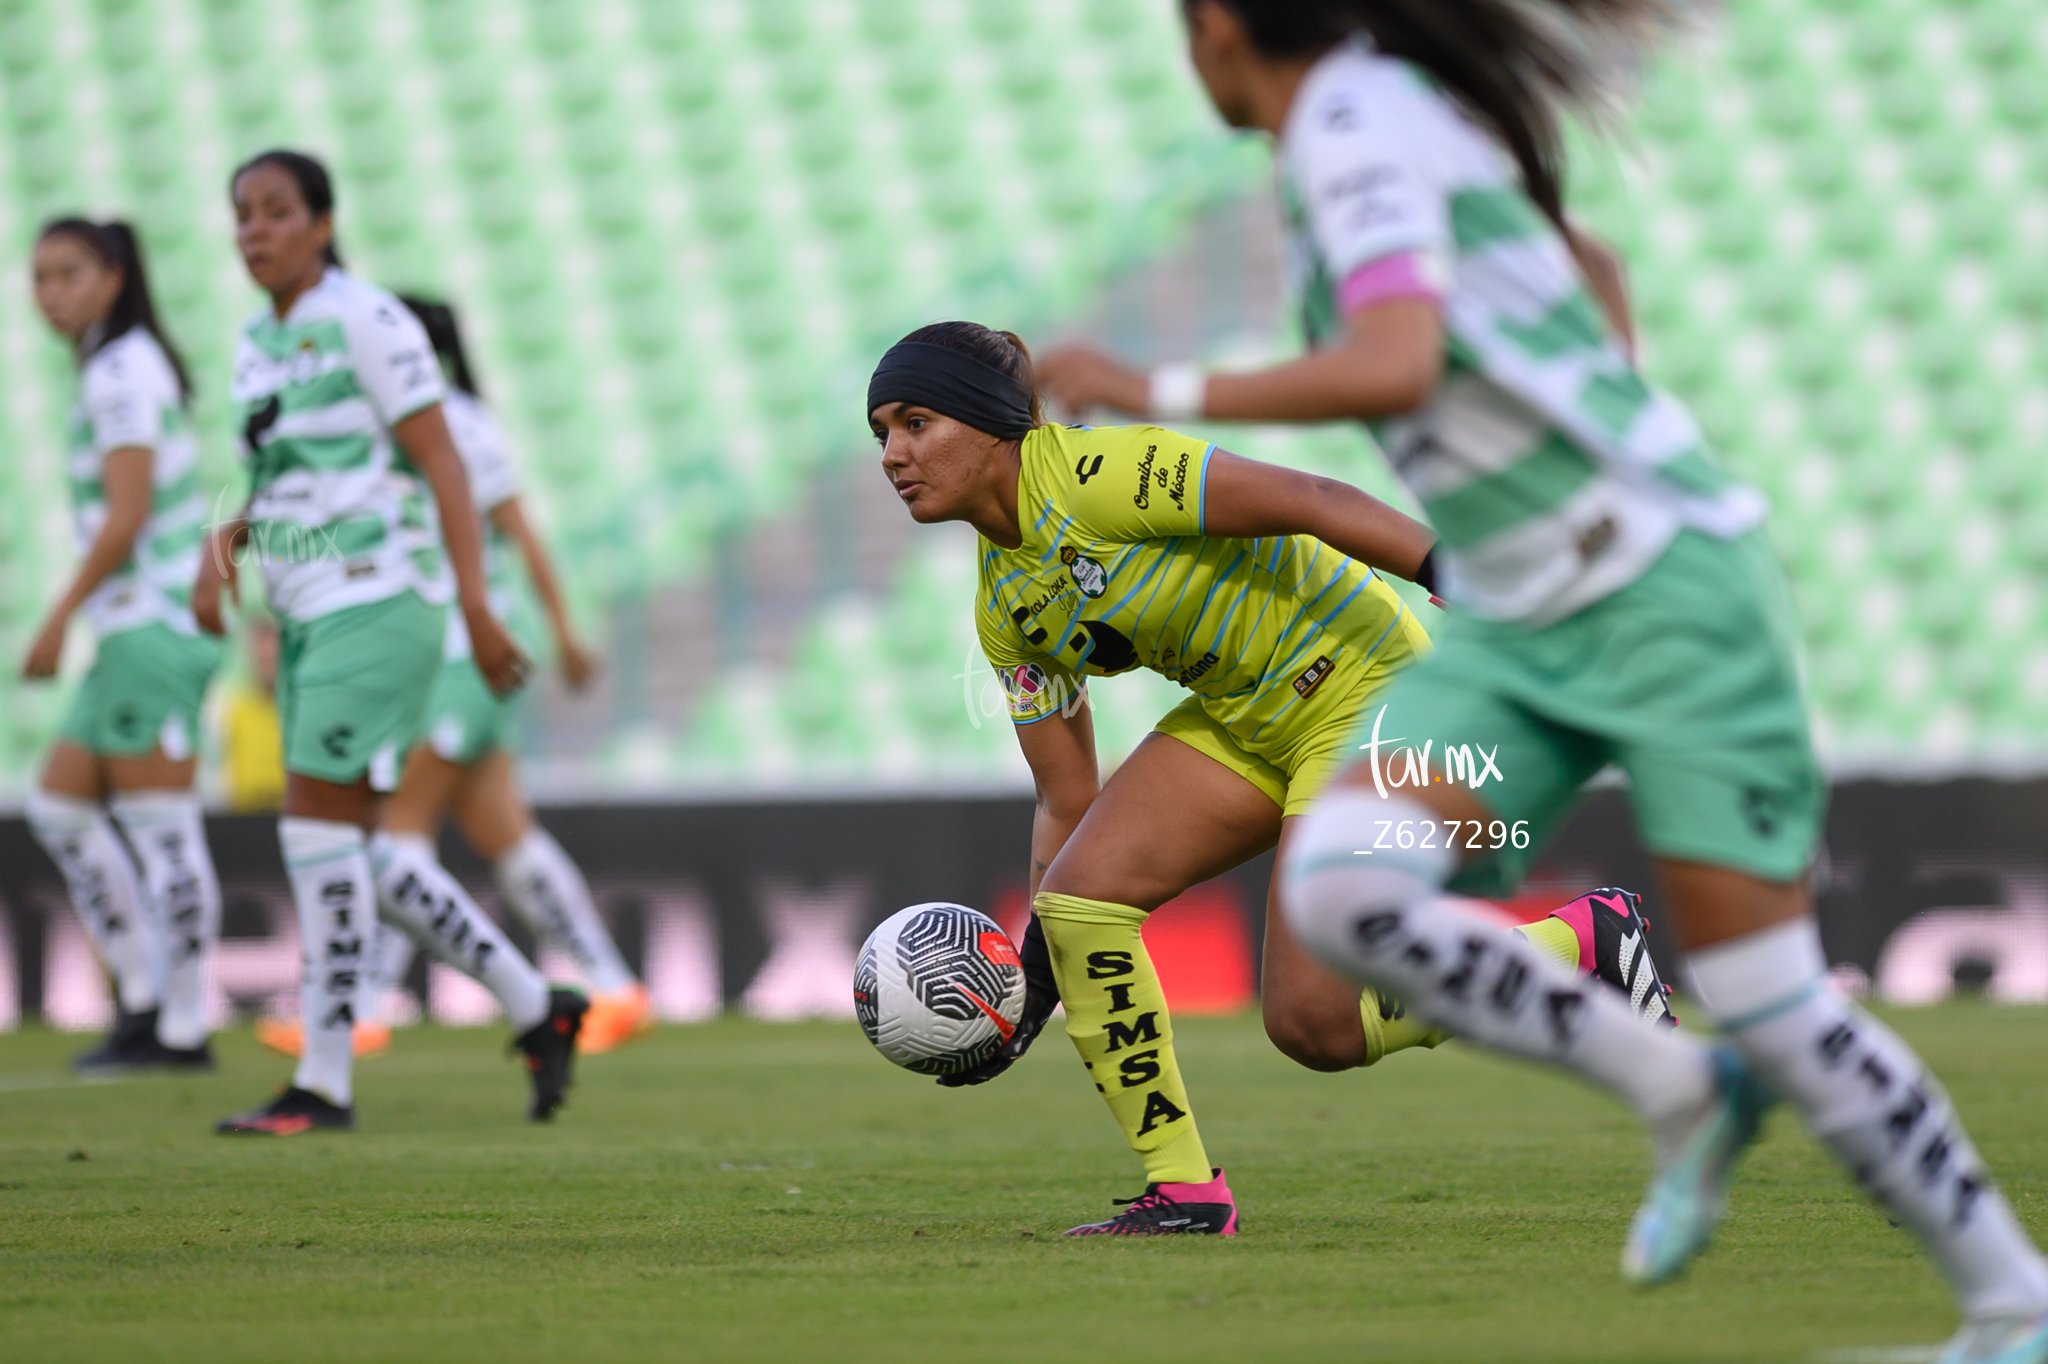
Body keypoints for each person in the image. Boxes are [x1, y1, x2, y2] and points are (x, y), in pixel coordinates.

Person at [1045, 5, 2048, 1360]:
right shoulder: (1394, 115)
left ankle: (2011, 1308)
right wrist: (1590, 410)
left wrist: (1147, 379)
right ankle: (1679, 1087)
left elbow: (1396, 359)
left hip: (1664, 602)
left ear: (1219, 26)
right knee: (1341, 894)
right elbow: (1587, 262)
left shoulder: (1348, 129)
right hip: (1522, 625)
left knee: (1773, 997)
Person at [868, 321, 1677, 1238]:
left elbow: (1309, 495)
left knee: (1314, 1028)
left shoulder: (1101, 476)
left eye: (915, 422)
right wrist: (1031, 989)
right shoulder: (1003, 609)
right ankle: (1184, 1192)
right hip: (1246, 716)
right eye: (882, 434)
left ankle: (1585, 945)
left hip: (1363, 688)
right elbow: (1065, 801)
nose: (894, 455)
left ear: (988, 423)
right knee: (1081, 901)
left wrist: (1458, 579)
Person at [200, 150, 587, 1135]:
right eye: (242, 213)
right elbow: (289, 470)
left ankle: (322, 1082)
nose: (254, 229)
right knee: (359, 848)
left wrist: (478, 606)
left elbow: (443, 466)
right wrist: (228, 542)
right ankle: (537, 1003)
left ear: (321, 224)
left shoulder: (369, 318)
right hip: (306, 609)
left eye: (276, 211)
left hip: (377, 600)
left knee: (315, 832)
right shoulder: (256, 340)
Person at [253, 296, 651, 1060]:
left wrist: (564, 630)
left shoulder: (454, 422)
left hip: (470, 648)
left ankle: (363, 1007)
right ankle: (614, 987)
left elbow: (518, 529)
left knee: (398, 823)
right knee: (504, 831)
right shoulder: (409, 425)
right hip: (449, 647)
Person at [23, 217, 226, 1072]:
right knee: (59, 808)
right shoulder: (117, 366)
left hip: (151, 624)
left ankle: (180, 1026)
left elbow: (129, 513)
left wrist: (58, 614)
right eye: (39, 277)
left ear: (112, 276)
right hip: (131, 628)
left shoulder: (119, 372)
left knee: (164, 830)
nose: (50, 293)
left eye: (68, 273)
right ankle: (145, 998)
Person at [217, 613, 286, 813]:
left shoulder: (306, 709)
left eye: (274, 658)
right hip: (247, 819)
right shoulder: (233, 710)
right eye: (262, 658)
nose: (268, 664)